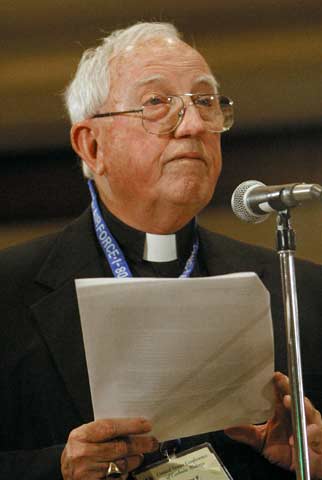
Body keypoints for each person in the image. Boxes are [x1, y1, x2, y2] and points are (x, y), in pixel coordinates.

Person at [0, 22, 321, 480]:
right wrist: (57, 468)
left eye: (205, 102)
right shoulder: (6, 293)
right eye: (157, 103)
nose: (192, 125)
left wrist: (313, 459)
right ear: (92, 146)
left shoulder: (301, 289)